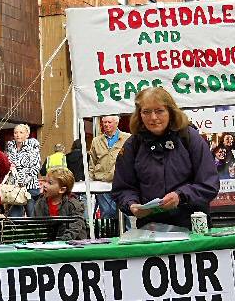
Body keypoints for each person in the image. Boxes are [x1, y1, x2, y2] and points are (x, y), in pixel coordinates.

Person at [112, 87, 219, 229]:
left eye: (159, 111)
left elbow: (209, 184)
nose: (153, 117)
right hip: (150, 230)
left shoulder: (190, 138)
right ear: (139, 115)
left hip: (192, 228)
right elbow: (123, 188)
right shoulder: (133, 145)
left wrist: (180, 196)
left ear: (171, 112)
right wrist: (131, 204)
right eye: (146, 112)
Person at [89, 115, 131, 221]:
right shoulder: (96, 141)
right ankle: (109, 235)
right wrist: (90, 181)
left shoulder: (127, 138)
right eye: (104, 122)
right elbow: (92, 163)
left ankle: (125, 234)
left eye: (109, 122)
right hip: (101, 182)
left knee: (123, 212)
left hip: (121, 182)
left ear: (116, 123)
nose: (106, 125)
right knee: (107, 212)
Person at [33, 167, 87, 240]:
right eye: (45, 181)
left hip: (72, 245)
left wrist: (61, 241)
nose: (45, 185)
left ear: (61, 190)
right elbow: (35, 225)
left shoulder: (73, 204)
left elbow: (75, 227)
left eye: (50, 183)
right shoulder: (40, 203)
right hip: (47, 244)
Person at [5, 124, 41, 217]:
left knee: (32, 215)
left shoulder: (32, 147)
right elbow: (7, 164)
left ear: (27, 135)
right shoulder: (10, 147)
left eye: (21, 132)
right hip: (15, 187)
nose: (18, 135)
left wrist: (25, 180)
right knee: (14, 217)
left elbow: (36, 167)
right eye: (16, 132)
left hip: (30, 186)